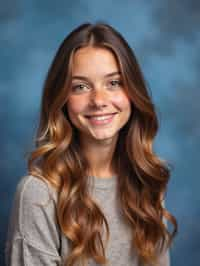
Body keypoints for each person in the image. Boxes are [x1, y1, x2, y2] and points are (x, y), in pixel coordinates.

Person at [5, 22, 177, 266]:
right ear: (62, 99)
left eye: (114, 83)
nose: (98, 100)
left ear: (133, 92)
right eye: (80, 87)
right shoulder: (38, 194)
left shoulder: (146, 181)